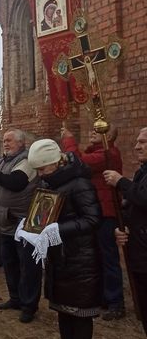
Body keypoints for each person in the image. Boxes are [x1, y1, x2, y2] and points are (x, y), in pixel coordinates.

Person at [20, 139, 101, 339]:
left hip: (81, 258)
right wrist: (30, 224)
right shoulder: (49, 183)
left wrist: (58, 229)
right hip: (59, 257)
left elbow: (92, 219)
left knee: (80, 312)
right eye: (37, 170)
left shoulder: (80, 183)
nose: (40, 174)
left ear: (55, 163)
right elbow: (43, 214)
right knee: (63, 310)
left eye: (43, 169)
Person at [62, 126, 125, 320]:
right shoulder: (96, 152)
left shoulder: (109, 154)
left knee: (108, 257)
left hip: (106, 213)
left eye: (97, 131)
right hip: (96, 211)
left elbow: (79, 163)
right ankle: (103, 296)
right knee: (97, 256)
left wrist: (69, 140)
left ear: (109, 135)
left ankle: (115, 302)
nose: (91, 132)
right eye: (92, 129)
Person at [104, 127, 147, 339]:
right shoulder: (142, 171)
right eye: (138, 142)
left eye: (144, 142)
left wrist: (120, 182)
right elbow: (136, 207)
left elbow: (143, 197)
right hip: (140, 251)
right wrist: (124, 229)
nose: (138, 146)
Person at [0, 129, 41, 323]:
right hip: (5, 221)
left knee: (27, 267)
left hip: (23, 222)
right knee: (10, 263)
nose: (5, 143)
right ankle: (15, 298)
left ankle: (29, 305)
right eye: (4, 140)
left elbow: (16, 182)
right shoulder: (2, 160)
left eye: (9, 140)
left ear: (21, 143)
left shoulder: (27, 160)